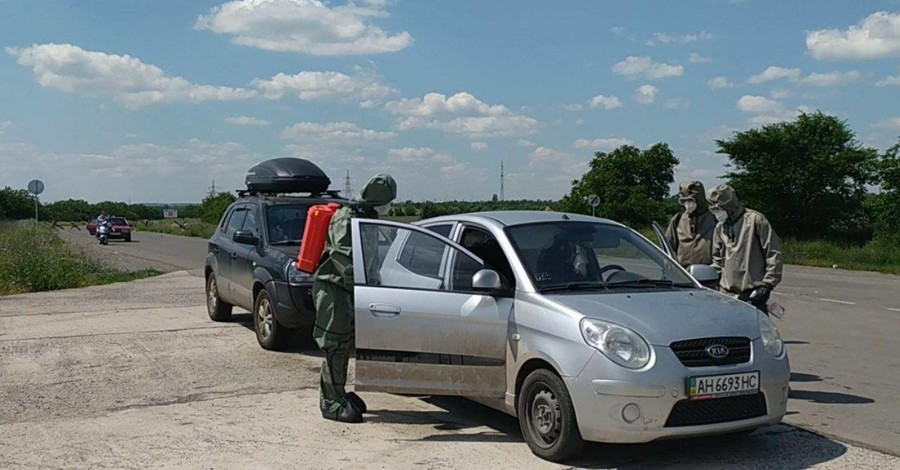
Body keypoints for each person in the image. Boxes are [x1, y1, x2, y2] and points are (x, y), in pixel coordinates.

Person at [312, 174, 397, 423]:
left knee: (345, 345)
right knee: (334, 346)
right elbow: (342, 258)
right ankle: (330, 401)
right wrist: (361, 287)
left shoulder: (365, 217)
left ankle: (339, 392)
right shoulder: (345, 218)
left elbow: (369, 258)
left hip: (349, 292)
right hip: (334, 290)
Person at [708, 184, 783, 313]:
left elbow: (773, 253)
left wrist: (767, 285)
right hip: (726, 294)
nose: (717, 213)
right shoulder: (720, 227)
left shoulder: (755, 220)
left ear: (729, 205)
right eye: (713, 209)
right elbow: (717, 260)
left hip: (754, 295)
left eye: (718, 208)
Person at [665, 181, 717, 268]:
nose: (687, 204)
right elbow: (668, 245)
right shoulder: (678, 219)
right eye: (684, 201)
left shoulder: (714, 218)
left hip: (709, 272)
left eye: (690, 200)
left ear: (699, 199)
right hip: (683, 273)